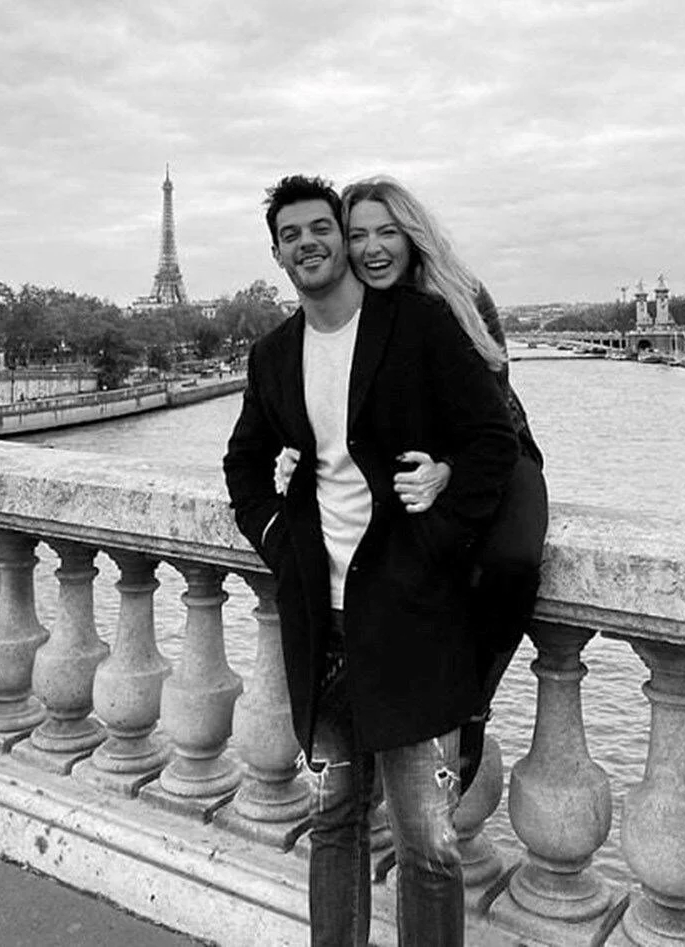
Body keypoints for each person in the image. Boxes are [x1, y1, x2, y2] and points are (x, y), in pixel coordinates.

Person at [223, 174, 518, 947]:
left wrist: (439, 536)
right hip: (322, 625)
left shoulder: (417, 325)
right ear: (277, 253)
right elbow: (243, 465)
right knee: (333, 823)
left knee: (429, 841)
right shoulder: (274, 355)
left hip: (412, 618)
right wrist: (277, 538)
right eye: (291, 235)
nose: (310, 243)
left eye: (322, 228)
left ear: (341, 238)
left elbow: (491, 441)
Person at [339, 175, 549, 789]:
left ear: (412, 236)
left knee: (511, 564)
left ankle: (475, 703)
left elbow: (494, 407)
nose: (373, 248)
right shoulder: (352, 311)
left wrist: (450, 467)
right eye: (358, 235)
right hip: (407, 464)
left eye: (387, 232)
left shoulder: (462, 294)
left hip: (497, 454)